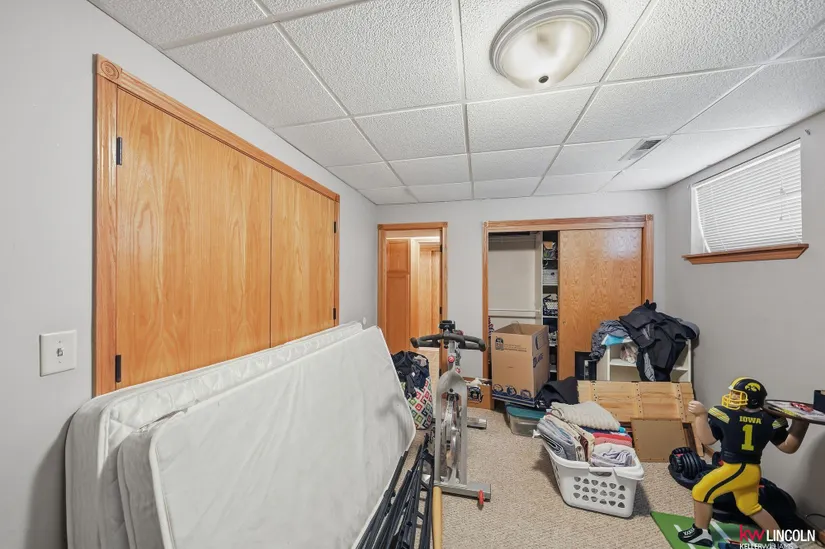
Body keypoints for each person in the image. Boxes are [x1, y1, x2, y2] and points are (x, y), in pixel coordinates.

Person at [678, 377, 809, 548]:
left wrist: (701, 416)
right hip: (751, 469)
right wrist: (800, 425)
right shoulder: (768, 419)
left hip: (737, 467)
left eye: (737, 394)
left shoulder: (726, 415)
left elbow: (707, 439)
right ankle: (783, 541)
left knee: (700, 490)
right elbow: (788, 446)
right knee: (749, 506)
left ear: (752, 399)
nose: (732, 396)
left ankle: (700, 532)